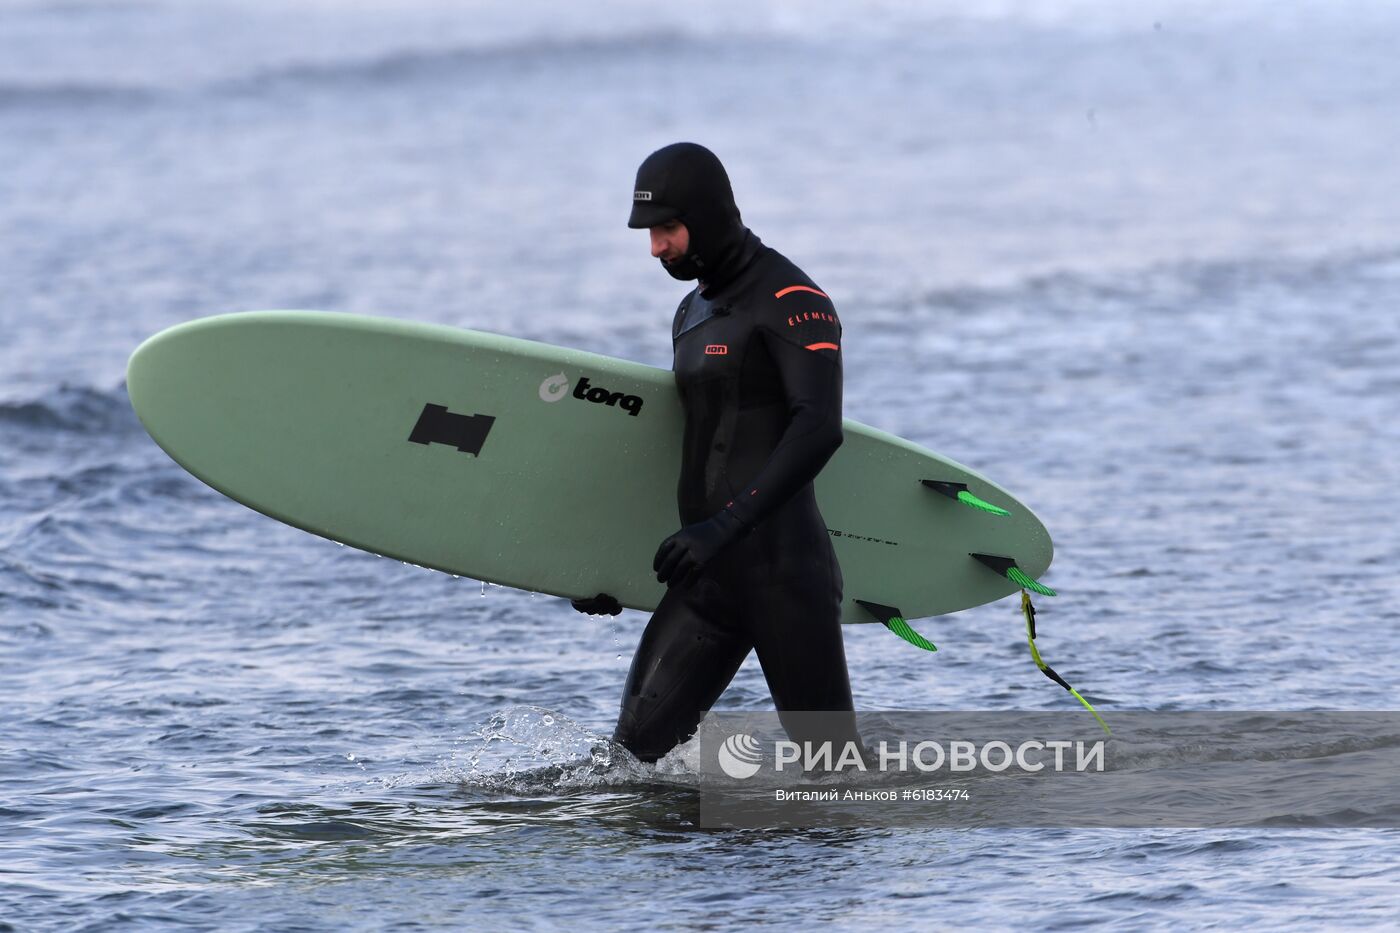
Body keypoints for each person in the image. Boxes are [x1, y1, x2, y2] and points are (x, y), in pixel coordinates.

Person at [572, 142, 859, 764]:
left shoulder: (792, 300)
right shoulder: (691, 309)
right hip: (709, 577)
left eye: (667, 229)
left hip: (784, 575)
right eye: (649, 233)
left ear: (708, 215)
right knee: (631, 766)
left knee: (833, 771)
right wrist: (600, 568)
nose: (656, 248)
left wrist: (725, 526)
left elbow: (819, 429)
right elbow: (685, 447)